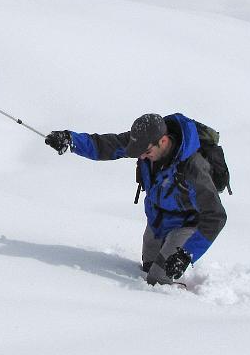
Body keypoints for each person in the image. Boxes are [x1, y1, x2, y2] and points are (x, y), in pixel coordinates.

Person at [44, 113, 226, 285]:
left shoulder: (194, 168)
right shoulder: (143, 144)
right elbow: (104, 145)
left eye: (146, 152)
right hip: (158, 219)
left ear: (163, 141)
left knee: (158, 279)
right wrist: (70, 140)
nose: (141, 156)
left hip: (188, 223)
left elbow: (216, 217)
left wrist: (186, 254)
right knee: (148, 267)